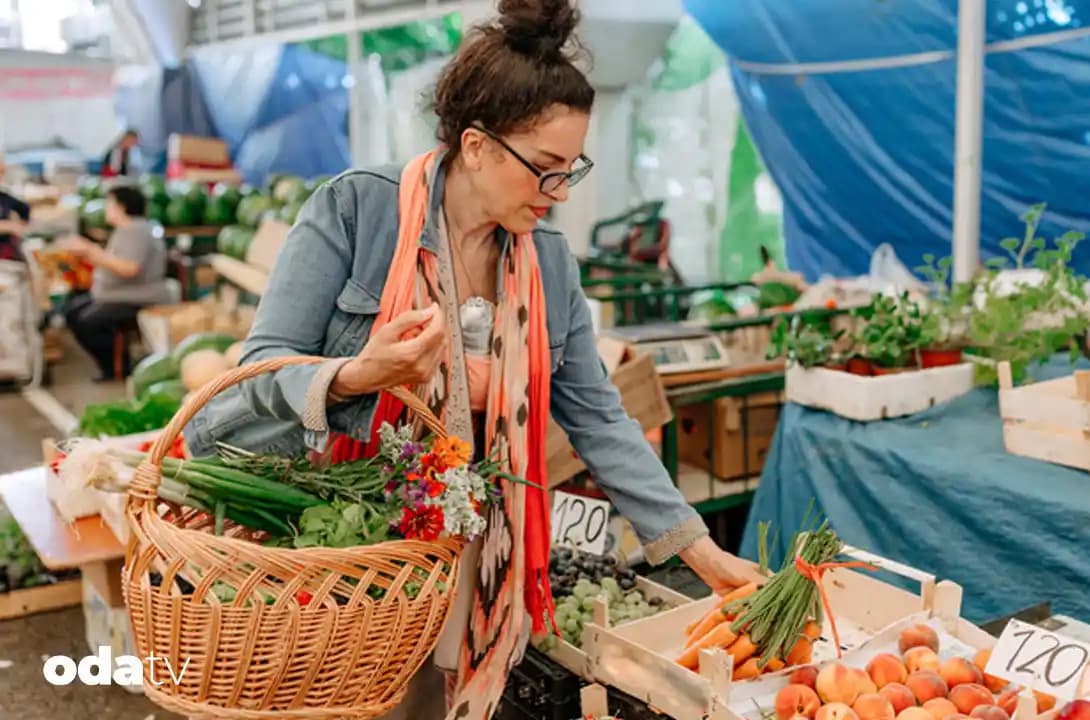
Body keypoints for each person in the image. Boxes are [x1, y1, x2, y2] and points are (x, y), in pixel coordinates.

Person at [186, 0, 764, 717]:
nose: (559, 192)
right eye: (544, 168)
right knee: (350, 699)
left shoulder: (548, 264)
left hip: (472, 543)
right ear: (478, 145)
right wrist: (360, 375)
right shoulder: (358, 212)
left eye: (571, 169)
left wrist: (701, 553)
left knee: (439, 700)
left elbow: (598, 417)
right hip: (345, 538)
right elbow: (263, 365)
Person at [60, 185, 169, 380]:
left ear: (121, 207)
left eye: (109, 203)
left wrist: (92, 251)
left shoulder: (136, 230)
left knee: (88, 322)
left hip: (137, 297)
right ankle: (113, 364)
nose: (106, 208)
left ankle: (117, 367)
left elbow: (130, 268)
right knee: (72, 312)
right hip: (116, 293)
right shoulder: (126, 229)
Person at [0, 159, 30, 262]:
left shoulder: (4, 197)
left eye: (1, 172)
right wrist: (8, 226)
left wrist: (19, 225)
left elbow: (25, 209)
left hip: (5, 254)